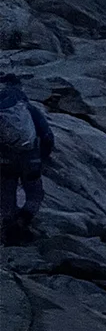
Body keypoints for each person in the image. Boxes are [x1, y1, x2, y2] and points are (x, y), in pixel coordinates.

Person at [0, 73, 53, 244]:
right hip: (30, 158)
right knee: (35, 194)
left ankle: (8, 235)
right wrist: (42, 158)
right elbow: (47, 136)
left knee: (7, 196)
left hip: (4, 160)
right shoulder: (27, 108)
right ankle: (22, 222)